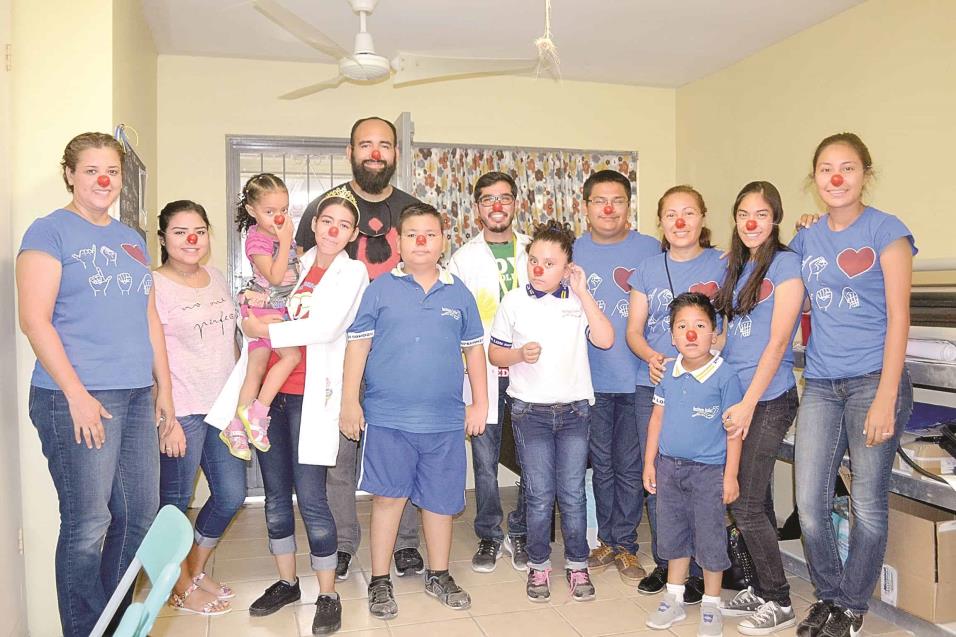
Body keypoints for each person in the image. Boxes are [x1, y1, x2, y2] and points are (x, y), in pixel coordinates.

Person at [16, 132, 174, 636]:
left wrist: (163, 392)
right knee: (88, 526)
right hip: (77, 398)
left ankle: (111, 622)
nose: (104, 180)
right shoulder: (48, 232)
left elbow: (150, 320)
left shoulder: (132, 239)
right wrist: (77, 396)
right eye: (91, 170)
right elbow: (34, 321)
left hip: (133, 393)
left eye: (113, 171)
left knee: (141, 517)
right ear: (70, 174)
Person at [207, 187, 369, 633]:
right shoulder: (295, 264)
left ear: (353, 234)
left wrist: (262, 326)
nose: (333, 229)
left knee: (313, 497)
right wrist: (252, 320)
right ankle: (286, 583)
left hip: (310, 396)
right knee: (276, 497)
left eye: (343, 225)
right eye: (326, 221)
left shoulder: (352, 273)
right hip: (270, 396)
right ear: (314, 223)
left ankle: (328, 593)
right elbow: (263, 304)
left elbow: (326, 326)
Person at [789, 133, 915, 637]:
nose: (835, 178)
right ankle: (828, 594)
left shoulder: (888, 231)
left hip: (873, 381)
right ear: (815, 177)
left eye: (846, 168)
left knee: (867, 502)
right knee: (810, 502)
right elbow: (788, 298)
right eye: (825, 169)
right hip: (820, 381)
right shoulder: (807, 237)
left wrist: (886, 396)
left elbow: (900, 319)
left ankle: (852, 605)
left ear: (865, 173)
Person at [341, 202, 488, 619]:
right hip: (388, 420)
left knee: (441, 504)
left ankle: (439, 574)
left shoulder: (458, 292)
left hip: (444, 422)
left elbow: (474, 350)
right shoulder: (379, 289)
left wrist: (480, 402)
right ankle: (380, 581)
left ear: (444, 240)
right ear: (398, 242)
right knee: (388, 500)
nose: (421, 241)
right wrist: (350, 401)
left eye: (430, 234)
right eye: (412, 235)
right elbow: (358, 346)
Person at [297, 116, 424, 579]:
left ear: (395, 154)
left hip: (398, 359)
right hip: (336, 357)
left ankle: (407, 543)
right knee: (340, 458)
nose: (375, 152)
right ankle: (344, 541)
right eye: (365, 144)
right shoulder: (325, 210)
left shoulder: (414, 210)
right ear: (349, 151)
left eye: (384, 145)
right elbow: (300, 279)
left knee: (400, 452)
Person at [488, 220, 614, 603]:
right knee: (540, 495)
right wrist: (517, 355)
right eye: (533, 261)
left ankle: (578, 564)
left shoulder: (577, 300)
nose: (539, 269)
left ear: (567, 267)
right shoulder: (513, 301)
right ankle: (539, 565)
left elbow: (606, 340)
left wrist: (584, 292)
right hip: (530, 413)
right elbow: (495, 353)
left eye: (550, 262)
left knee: (573, 493)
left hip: (575, 412)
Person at [625, 185, 726, 602]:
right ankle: (667, 564)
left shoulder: (725, 263)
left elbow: (731, 323)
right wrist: (652, 356)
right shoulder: (648, 268)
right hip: (656, 385)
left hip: (707, 389)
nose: (680, 222)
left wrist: (712, 347)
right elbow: (634, 330)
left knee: (705, 483)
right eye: (670, 214)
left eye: (688, 212)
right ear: (661, 223)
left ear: (703, 218)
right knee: (660, 478)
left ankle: (705, 569)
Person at [711, 182, 804, 634]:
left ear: (775, 219)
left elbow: (779, 341)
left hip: (769, 398)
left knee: (744, 505)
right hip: (738, 395)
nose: (751, 223)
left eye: (762, 214)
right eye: (744, 213)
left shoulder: (786, 264)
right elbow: (728, 338)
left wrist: (748, 404)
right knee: (757, 500)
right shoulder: (737, 267)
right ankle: (765, 589)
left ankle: (781, 601)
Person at [153, 200, 246, 616]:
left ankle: (194, 570)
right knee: (173, 503)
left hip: (223, 407)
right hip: (183, 411)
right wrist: (166, 416)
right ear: (163, 239)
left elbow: (233, 341)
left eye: (200, 231)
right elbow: (152, 355)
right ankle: (177, 586)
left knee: (230, 495)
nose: (192, 240)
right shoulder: (153, 284)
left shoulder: (217, 276)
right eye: (179, 232)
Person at [573, 169, 661, 584]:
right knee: (601, 466)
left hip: (638, 380)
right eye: (599, 201)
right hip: (587, 383)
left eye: (618, 201)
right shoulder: (571, 251)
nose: (608, 209)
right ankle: (606, 539)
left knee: (628, 466)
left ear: (629, 206)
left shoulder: (651, 249)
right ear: (586, 206)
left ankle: (625, 544)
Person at [642, 292, 744, 637]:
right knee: (673, 535)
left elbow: (734, 432)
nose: (691, 333)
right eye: (682, 326)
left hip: (709, 472)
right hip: (669, 467)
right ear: (672, 336)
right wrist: (649, 463)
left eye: (699, 326)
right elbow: (657, 418)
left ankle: (712, 604)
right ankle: (673, 598)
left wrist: (730, 476)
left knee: (710, 537)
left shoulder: (725, 377)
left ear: (713, 332)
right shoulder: (668, 371)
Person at [447, 171, 530, 572]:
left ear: (515, 203)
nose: (497, 206)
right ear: (477, 208)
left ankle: (523, 529)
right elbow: (456, 324)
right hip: (481, 374)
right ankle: (489, 534)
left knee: (535, 457)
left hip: (532, 372)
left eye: (504, 198)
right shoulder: (463, 259)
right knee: (483, 458)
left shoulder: (536, 252)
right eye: (488, 199)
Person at [221, 173, 301, 459]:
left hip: (274, 306)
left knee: (255, 371)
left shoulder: (278, 236)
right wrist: (286, 239)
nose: (278, 217)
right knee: (291, 357)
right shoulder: (258, 241)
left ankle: (235, 428)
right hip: (264, 306)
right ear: (252, 211)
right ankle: (258, 412)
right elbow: (277, 276)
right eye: (269, 212)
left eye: (283, 210)